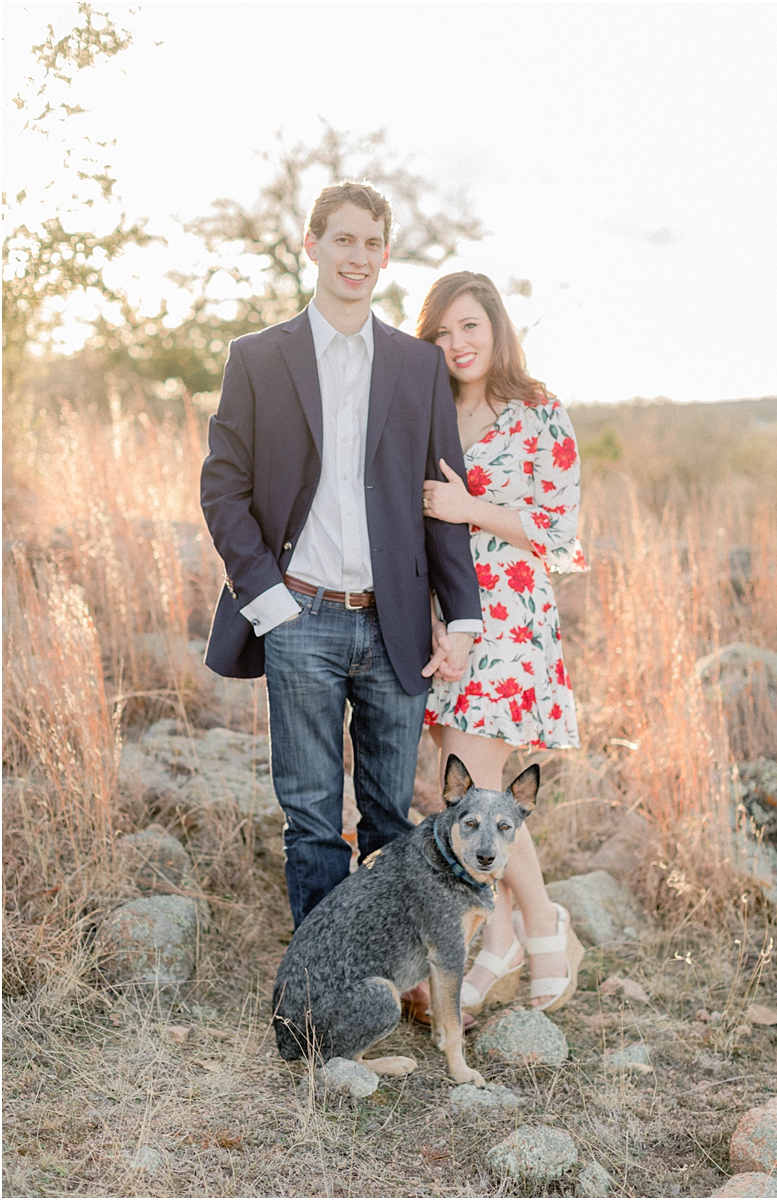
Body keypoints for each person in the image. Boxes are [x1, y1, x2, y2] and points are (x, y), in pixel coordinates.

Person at [200, 183, 482, 929]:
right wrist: (268, 604)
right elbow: (222, 489)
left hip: (397, 627)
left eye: (370, 244)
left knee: (392, 819)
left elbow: (440, 495)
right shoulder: (258, 358)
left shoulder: (416, 366)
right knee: (312, 819)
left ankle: (385, 973)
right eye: (343, 240)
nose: (357, 257)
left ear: (385, 257)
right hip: (299, 618)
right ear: (312, 246)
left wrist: (460, 618)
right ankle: (321, 990)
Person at [415, 271, 588, 1015]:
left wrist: (469, 506)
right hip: (443, 617)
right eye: (442, 332)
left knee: (477, 789)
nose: (457, 344)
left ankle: (534, 928)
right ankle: (505, 936)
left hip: (511, 611)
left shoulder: (538, 410)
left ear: (496, 329)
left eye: (469, 327)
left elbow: (558, 530)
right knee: (459, 785)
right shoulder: (424, 413)